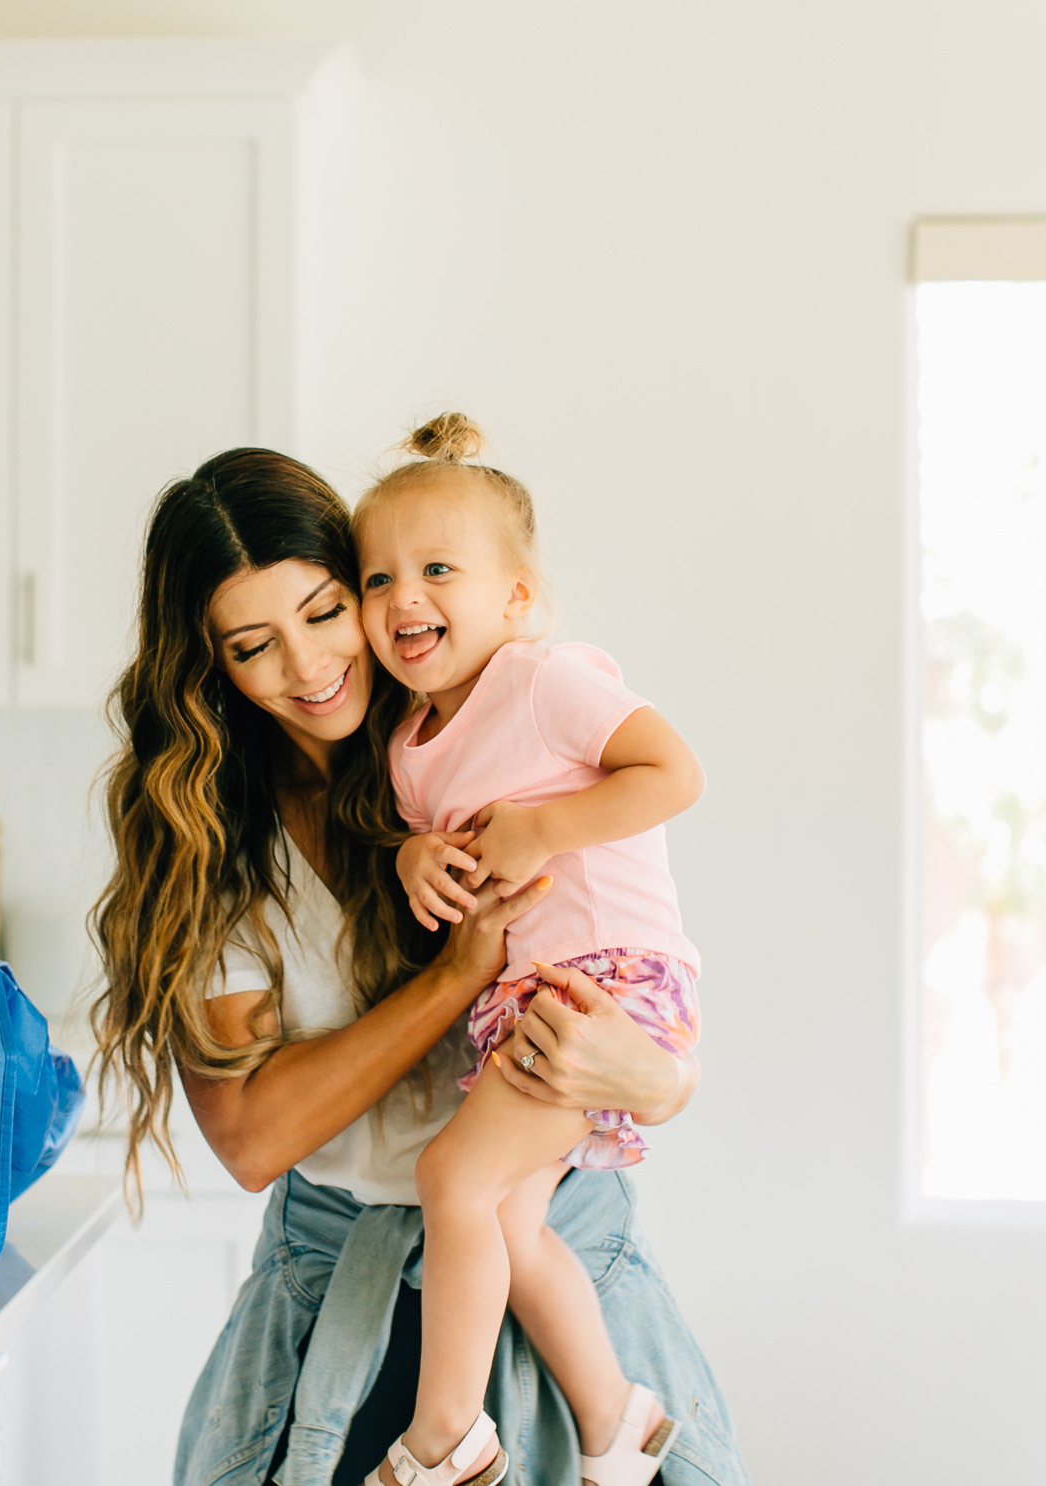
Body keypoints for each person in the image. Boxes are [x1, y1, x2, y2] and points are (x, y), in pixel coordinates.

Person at [87, 446, 748, 1486]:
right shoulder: (213, 845)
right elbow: (250, 1136)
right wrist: (449, 978)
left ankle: (582, 1424)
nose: (307, 668)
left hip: (556, 1268)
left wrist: (663, 1079)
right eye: (253, 645)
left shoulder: (486, 737)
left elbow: (637, 981)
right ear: (209, 664)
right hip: (340, 1307)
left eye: (323, 611)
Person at [358, 414, 703, 1486]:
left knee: (449, 1177)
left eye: (436, 570)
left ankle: (443, 1439)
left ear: (512, 597)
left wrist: (544, 828)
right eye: (376, 579)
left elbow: (671, 772)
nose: (402, 599)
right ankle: (613, 1415)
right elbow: (437, 850)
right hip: (522, 994)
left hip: (606, 980)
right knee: (505, 1219)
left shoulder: (542, 680)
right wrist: (417, 860)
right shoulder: (408, 749)